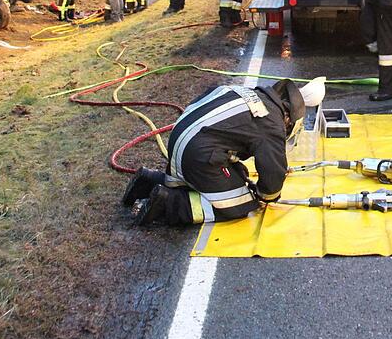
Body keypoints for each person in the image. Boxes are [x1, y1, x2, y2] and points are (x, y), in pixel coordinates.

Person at [123, 76, 326, 227]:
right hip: (198, 156)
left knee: (239, 175)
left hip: (180, 142)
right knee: (241, 203)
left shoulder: (244, 92)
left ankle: (150, 180)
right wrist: (268, 196)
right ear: (288, 118)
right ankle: (169, 204)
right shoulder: (271, 123)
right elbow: (273, 173)